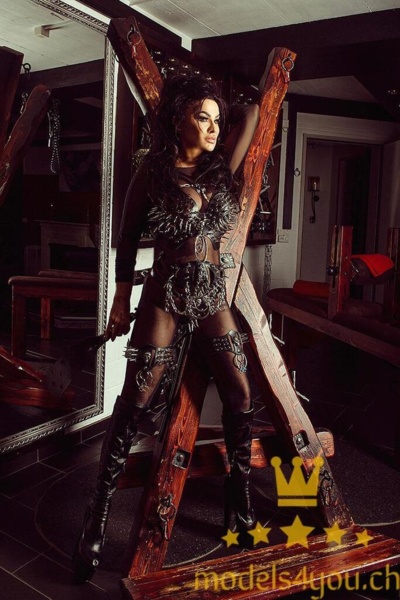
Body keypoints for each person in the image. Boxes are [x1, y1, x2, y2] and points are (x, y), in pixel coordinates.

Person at [73, 75, 259, 583]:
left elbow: (251, 114)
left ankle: (239, 500)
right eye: (203, 118)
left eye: (217, 120)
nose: (214, 128)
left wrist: (214, 98)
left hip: (210, 293)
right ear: (179, 120)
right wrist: (120, 303)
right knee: (137, 397)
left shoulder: (220, 169)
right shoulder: (152, 173)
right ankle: (97, 513)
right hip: (165, 292)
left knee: (241, 391)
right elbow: (127, 238)